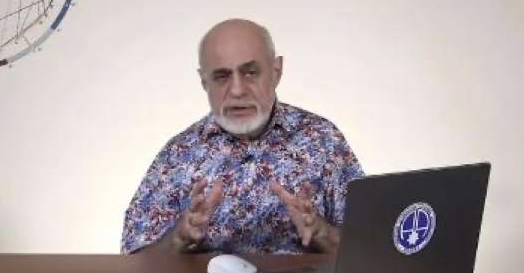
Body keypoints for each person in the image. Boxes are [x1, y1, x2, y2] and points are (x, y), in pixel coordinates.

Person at [120, 19, 364, 255]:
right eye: (222, 76)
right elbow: (134, 266)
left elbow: (372, 253)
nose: (237, 90)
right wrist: (179, 237)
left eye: (250, 73)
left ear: (276, 72)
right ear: (204, 82)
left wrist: (320, 231)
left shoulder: (323, 140)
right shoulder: (178, 155)